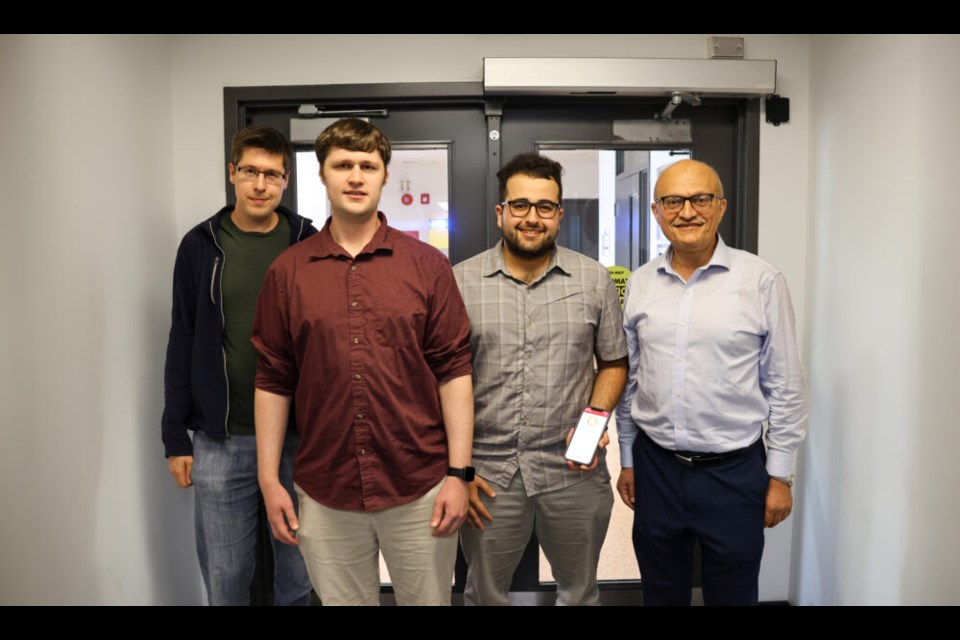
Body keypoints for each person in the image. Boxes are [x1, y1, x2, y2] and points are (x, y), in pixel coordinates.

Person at [251, 118, 475, 606]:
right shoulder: (288, 273)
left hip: (419, 487)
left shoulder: (427, 267)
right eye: (343, 165)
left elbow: (454, 371)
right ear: (322, 175)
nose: (356, 176)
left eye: (368, 166)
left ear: (384, 176)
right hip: (326, 489)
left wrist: (460, 475)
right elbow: (272, 378)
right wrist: (270, 480)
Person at [615, 158, 808, 606]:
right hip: (656, 467)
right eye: (673, 201)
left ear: (720, 207)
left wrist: (780, 475)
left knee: (733, 594)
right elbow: (631, 381)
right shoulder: (641, 284)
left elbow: (785, 382)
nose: (687, 211)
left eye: (700, 199)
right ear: (656, 211)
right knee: (661, 592)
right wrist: (628, 458)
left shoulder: (761, 280)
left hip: (735, 473)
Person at [453, 152, 628, 606]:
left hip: (573, 470)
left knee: (579, 593)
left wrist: (592, 425)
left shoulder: (593, 280)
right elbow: (441, 379)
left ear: (559, 214)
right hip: (487, 473)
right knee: (484, 594)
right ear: (501, 213)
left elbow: (613, 362)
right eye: (520, 205)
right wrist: (457, 470)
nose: (532, 218)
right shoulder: (459, 283)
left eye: (545, 207)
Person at [161, 125, 315, 605]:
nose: (260, 185)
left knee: (299, 571)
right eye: (250, 171)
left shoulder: (306, 240)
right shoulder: (200, 245)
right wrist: (174, 435)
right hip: (221, 440)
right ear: (232, 173)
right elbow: (182, 337)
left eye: (272, 174)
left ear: (286, 180)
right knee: (227, 579)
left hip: (298, 439)